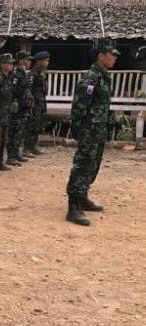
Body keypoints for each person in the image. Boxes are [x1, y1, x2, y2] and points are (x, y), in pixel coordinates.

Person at [65, 39, 117, 226]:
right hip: (89, 130)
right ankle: (73, 207)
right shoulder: (91, 77)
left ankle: (83, 196)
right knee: (82, 164)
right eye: (112, 54)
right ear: (101, 56)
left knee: (93, 165)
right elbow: (79, 106)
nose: (115, 58)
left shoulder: (103, 76)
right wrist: (79, 129)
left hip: (98, 129)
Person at [6, 51, 34, 165]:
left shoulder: (24, 73)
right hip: (17, 108)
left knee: (20, 132)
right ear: (22, 60)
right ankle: (11, 157)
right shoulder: (16, 74)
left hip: (24, 108)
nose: (30, 62)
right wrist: (14, 102)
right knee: (14, 132)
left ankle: (17, 154)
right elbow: (12, 90)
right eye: (28, 59)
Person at [25, 51, 49, 155]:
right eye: (46, 61)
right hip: (34, 103)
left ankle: (34, 146)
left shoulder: (42, 74)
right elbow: (28, 89)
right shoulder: (32, 74)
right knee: (31, 125)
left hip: (41, 102)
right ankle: (27, 148)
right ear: (39, 61)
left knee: (38, 125)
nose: (47, 63)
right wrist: (30, 101)